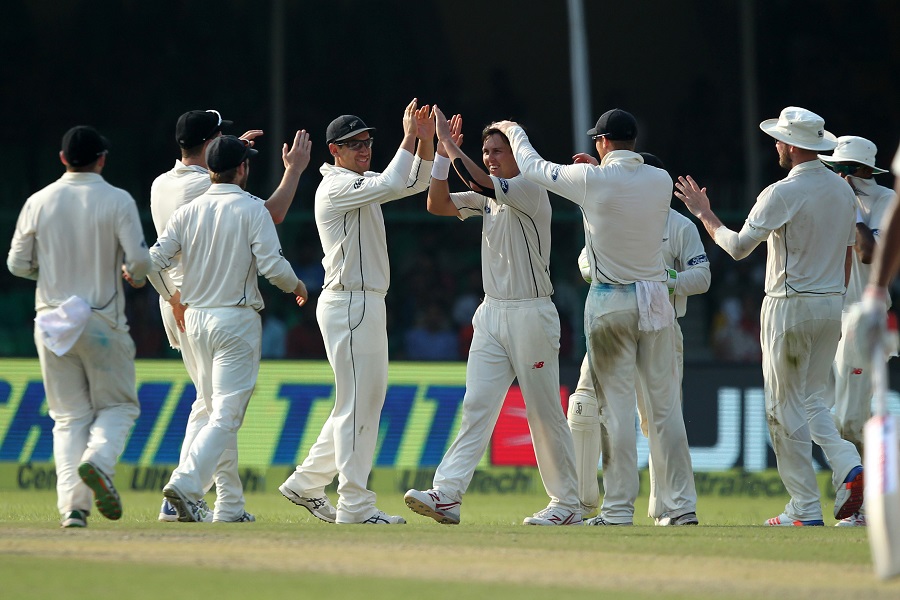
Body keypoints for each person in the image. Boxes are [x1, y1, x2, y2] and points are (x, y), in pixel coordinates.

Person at [493, 109, 698, 526]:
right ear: (633, 142)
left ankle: (619, 509)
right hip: (656, 297)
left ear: (602, 142)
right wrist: (596, 173)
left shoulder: (592, 180)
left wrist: (515, 131)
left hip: (611, 300)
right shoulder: (659, 180)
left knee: (616, 410)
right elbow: (622, 189)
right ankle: (680, 507)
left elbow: (532, 168)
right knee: (664, 410)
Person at [675, 106, 865, 526]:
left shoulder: (782, 192)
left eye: (780, 139)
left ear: (794, 147)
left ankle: (804, 507)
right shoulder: (842, 191)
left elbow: (739, 246)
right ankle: (848, 463)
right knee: (813, 399)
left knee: (783, 409)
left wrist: (704, 212)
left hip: (789, 304)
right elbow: (850, 254)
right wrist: (832, 292)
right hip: (831, 303)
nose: (776, 144)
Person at [404, 107, 582, 526]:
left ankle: (567, 503)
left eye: (497, 150)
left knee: (542, 412)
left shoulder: (530, 188)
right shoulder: (488, 199)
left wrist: (449, 144)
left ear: (518, 154)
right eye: (485, 151)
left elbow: (482, 181)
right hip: (491, 314)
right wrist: (444, 157)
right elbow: (437, 203)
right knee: (476, 406)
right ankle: (447, 494)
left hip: (531, 313)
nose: (489, 157)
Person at [146, 109, 310, 523]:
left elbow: (153, 259)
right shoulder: (216, 192)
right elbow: (268, 218)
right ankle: (184, 488)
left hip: (184, 307)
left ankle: (229, 505)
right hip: (224, 310)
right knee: (223, 411)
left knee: (209, 405)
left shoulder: (163, 185)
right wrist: (292, 171)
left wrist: (170, 295)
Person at [279, 99, 434, 525]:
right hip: (349, 302)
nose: (363, 149)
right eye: (353, 144)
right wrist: (408, 137)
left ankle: (307, 482)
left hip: (364, 302)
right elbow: (391, 184)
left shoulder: (362, 181)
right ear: (334, 150)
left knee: (360, 402)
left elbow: (412, 183)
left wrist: (425, 142)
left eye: (367, 142)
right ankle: (355, 504)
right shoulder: (334, 187)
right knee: (357, 406)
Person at [7, 125, 152, 528]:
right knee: (119, 406)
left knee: (68, 418)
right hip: (102, 318)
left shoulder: (39, 200)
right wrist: (133, 274)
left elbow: (17, 264)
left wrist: (47, 269)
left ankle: (74, 509)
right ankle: (99, 462)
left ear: (62, 159)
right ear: (102, 159)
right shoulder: (117, 199)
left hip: (53, 322)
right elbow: (139, 263)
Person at [567, 152, 710, 525]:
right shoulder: (615, 216)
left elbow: (703, 277)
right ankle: (580, 501)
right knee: (584, 407)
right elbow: (585, 259)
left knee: (659, 419)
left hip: (660, 326)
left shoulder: (681, 226)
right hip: (613, 314)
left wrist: (665, 280)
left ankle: (670, 506)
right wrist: (604, 275)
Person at [817, 137, 896, 528]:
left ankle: (867, 504)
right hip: (826, 313)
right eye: (834, 170)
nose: (838, 177)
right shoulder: (834, 200)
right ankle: (855, 498)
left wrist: (853, 210)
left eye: (844, 170)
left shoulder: (885, 202)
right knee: (821, 411)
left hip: (863, 316)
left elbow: (869, 253)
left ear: (863, 172)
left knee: (850, 419)